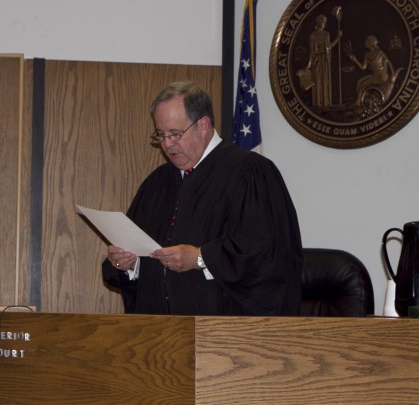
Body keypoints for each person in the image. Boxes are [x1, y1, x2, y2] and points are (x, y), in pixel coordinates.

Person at [103, 81, 303, 316]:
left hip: (225, 337)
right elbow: (140, 251)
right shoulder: (156, 184)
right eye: (161, 135)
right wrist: (128, 264)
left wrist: (200, 258)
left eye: (176, 134)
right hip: (159, 335)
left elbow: (268, 255)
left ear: (204, 125)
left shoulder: (250, 172)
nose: (167, 144)